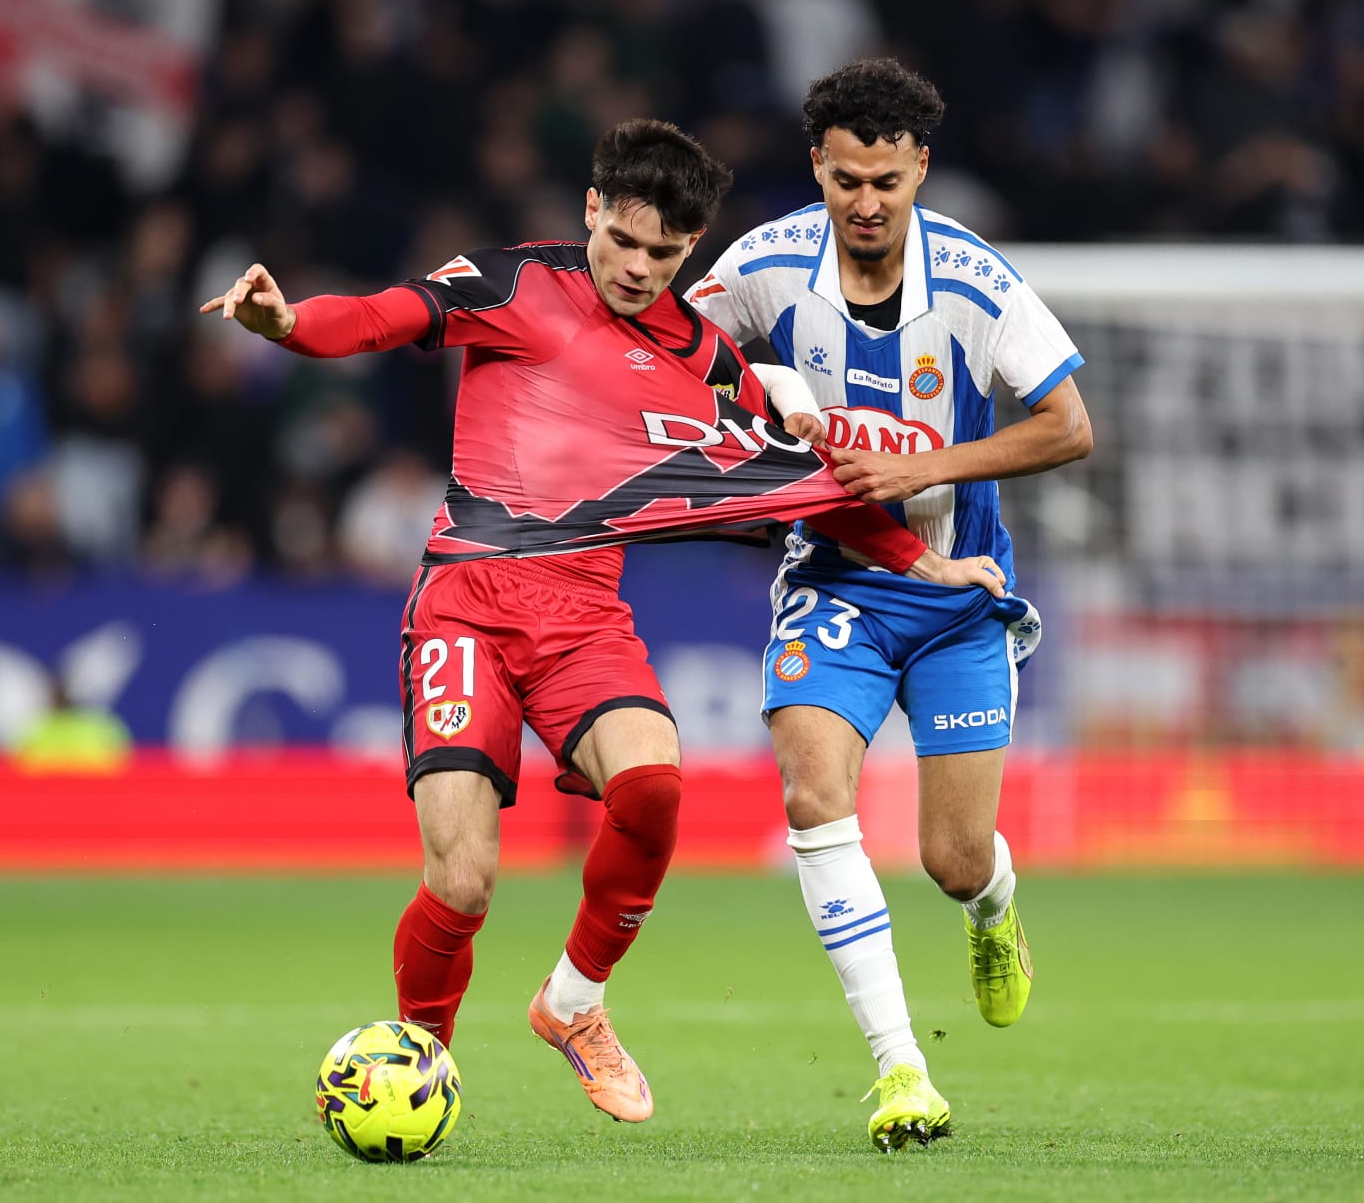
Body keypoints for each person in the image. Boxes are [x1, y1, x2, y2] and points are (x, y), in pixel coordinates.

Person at [202, 118, 1005, 1126]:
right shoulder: (511, 285)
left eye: (663, 254)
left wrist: (923, 558)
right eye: (621, 241)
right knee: (462, 880)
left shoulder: (706, 356)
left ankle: (576, 1000)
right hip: (468, 603)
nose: (636, 267)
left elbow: (803, 482)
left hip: (583, 614)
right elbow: (375, 318)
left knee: (657, 784)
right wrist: (285, 323)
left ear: (690, 250)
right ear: (591, 209)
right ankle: (421, 1065)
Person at [688, 59, 1094, 1150]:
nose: (866, 202)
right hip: (834, 584)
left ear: (921, 165)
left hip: (961, 595)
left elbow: (1069, 426)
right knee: (814, 791)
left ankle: (994, 912)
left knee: (954, 858)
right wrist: (740, 399)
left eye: (887, 179)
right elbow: (667, 356)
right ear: (815, 165)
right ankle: (902, 1067)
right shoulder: (764, 267)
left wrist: (935, 469)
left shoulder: (974, 279)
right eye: (845, 179)